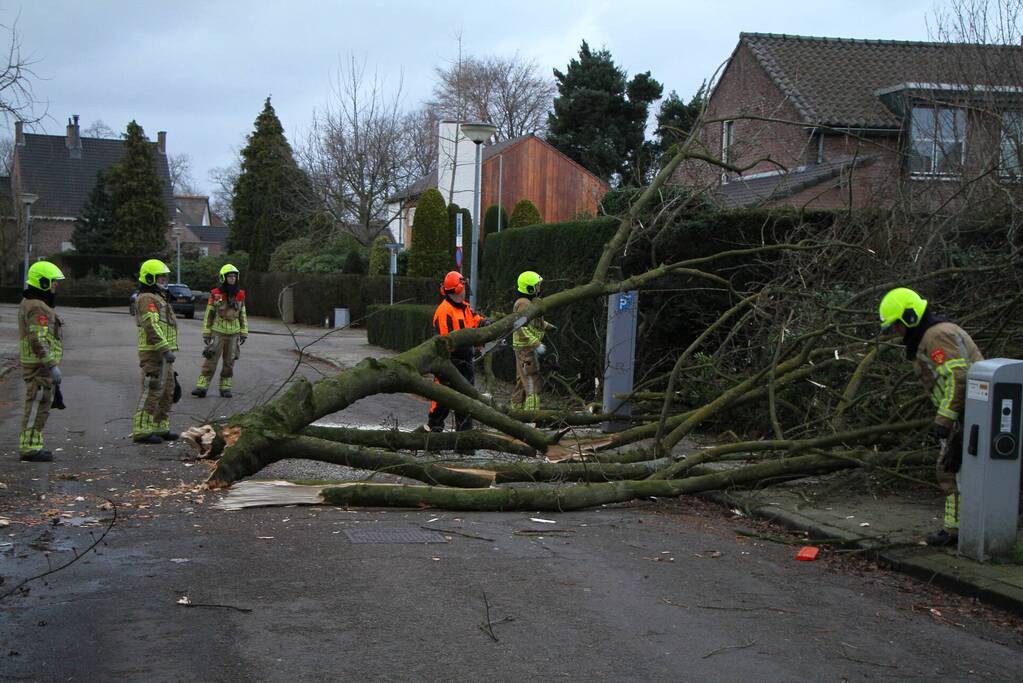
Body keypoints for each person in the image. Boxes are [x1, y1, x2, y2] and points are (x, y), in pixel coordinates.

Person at [879, 287, 983, 546]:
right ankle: (955, 530)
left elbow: (958, 378)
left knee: (949, 469)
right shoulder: (933, 334)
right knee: (950, 470)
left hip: (969, 414)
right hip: (968, 413)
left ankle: (957, 531)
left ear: (910, 318)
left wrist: (944, 419)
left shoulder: (936, 336)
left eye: (897, 326)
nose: (896, 332)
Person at [17, 261, 65, 462]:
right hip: (39, 365)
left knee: (42, 403)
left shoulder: (34, 303)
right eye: (53, 282)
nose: (56, 286)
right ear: (43, 282)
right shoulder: (36, 306)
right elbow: (38, 338)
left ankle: (33, 444)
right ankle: (29, 447)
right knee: (37, 403)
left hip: (39, 365)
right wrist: (51, 364)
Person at [427, 271, 484, 432]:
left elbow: (476, 322)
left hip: (465, 363)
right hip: (449, 363)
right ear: (458, 288)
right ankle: (433, 433)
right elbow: (448, 341)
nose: (466, 289)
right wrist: (471, 347)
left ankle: (464, 440)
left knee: (466, 401)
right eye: (463, 285)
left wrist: (488, 325)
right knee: (442, 400)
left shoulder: (465, 308)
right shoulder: (444, 311)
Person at [133, 258, 179, 444]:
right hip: (154, 351)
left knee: (168, 390)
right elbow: (151, 325)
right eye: (160, 277)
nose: (163, 280)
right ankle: (142, 430)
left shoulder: (158, 297)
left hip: (162, 352)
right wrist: (165, 349)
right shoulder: (146, 298)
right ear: (150, 278)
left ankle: (160, 426)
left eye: (164, 277)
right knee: (152, 389)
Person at [192, 263, 248, 398]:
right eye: (230, 277)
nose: (233, 279)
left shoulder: (240, 295)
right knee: (210, 360)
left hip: (234, 334)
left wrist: (244, 332)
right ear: (223, 278)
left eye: (234, 277)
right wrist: (206, 332)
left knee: (229, 362)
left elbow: (243, 314)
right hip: (218, 332)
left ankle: (225, 388)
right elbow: (209, 314)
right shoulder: (215, 294)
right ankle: (202, 387)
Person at [511, 270, 553, 411]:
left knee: (521, 382)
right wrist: (537, 343)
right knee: (531, 379)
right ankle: (531, 416)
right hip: (526, 348)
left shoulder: (528, 302)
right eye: (537, 286)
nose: (539, 289)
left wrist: (548, 326)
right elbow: (520, 327)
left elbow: (533, 322)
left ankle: (515, 412)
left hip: (524, 347)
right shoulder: (524, 304)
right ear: (529, 288)